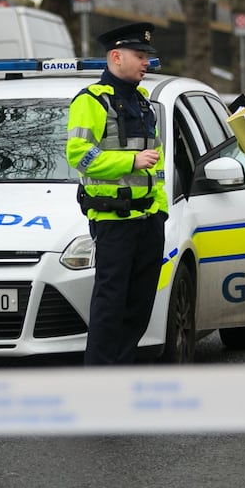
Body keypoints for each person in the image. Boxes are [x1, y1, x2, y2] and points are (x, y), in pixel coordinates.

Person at [65, 22, 167, 365]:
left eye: (147, 56)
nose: (146, 62)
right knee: (109, 309)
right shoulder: (91, 101)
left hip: (148, 220)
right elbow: (80, 156)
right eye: (140, 55)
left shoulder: (143, 102)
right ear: (116, 57)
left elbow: (158, 162)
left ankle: (121, 375)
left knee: (139, 308)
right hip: (113, 220)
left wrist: (160, 211)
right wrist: (131, 161)